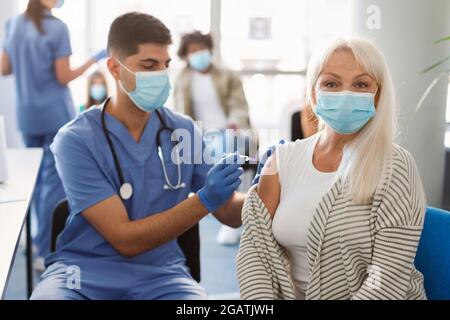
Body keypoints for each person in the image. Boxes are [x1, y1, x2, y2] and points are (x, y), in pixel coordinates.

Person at [31, 12, 247, 300]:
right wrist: (205, 199)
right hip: (82, 273)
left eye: (165, 65)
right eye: (148, 65)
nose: (160, 75)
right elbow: (125, 240)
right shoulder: (76, 139)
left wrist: (264, 188)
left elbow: (229, 213)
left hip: (163, 275)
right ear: (115, 68)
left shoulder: (182, 131)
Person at [236, 37, 428, 300]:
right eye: (331, 83)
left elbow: (387, 278)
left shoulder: (396, 166)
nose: (345, 94)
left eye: (361, 84)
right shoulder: (280, 161)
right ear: (314, 93)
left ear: (378, 95)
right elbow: (254, 252)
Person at [0, 0, 108, 266]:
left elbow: (4, 68)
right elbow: (64, 76)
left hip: (27, 115)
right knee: (53, 185)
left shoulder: (13, 25)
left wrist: (28, 63)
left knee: (35, 182)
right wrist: (95, 59)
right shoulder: (57, 28)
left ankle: (35, 241)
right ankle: (43, 250)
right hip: (54, 114)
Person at [174, 31, 252, 245]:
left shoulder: (227, 74)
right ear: (186, 56)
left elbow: (239, 105)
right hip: (200, 135)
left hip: (230, 131)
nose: (198, 53)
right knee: (201, 151)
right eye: (193, 51)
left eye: (201, 48)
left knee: (225, 147)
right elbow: (181, 113)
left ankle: (228, 216)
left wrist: (234, 123)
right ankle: (226, 208)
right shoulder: (182, 79)